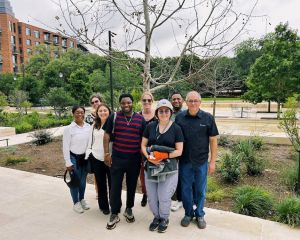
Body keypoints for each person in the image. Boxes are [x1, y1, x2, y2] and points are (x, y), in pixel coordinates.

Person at [175, 91, 218, 229]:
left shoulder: (208, 118)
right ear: (186, 102)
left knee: (200, 190)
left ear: (200, 102)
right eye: (190, 101)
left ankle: (199, 214)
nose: (193, 103)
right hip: (185, 161)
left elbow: (213, 140)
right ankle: (188, 213)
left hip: (201, 162)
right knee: (186, 190)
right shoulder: (180, 118)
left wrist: (212, 162)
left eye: (195, 101)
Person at [103, 93, 146, 230]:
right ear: (120, 104)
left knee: (131, 185)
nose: (126, 105)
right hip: (117, 158)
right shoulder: (114, 117)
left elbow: (144, 139)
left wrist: (144, 157)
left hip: (134, 159)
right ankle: (114, 212)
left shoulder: (140, 119)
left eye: (128, 102)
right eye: (123, 103)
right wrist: (106, 154)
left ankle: (128, 209)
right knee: (115, 186)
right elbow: (106, 135)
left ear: (132, 103)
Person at [141, 99, 183, 233]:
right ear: (157, 113)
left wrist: (163, 156)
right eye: (161, 111)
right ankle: (156, 217)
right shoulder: (150, 127)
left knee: (164, 195)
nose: (164, 113)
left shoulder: (176, 128)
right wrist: (149, 157)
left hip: (168, 168)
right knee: (152, 196)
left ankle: (164, 218)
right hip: (151, 166)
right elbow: (143, 145)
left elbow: (179, 150)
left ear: (170, 112)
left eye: (166, 110)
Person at [63, 106, 91, 214]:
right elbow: (65, 147)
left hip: (84, 157)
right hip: (73, 157)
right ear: (73, 113)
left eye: (81, 112)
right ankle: (76, 203)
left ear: (84, 113)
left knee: (83, 181)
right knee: (75, 180)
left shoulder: (88, 127)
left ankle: (82, 199)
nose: (79, 114)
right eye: (77, 112)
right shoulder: (69, 129)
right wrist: (68, 162)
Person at [86, 103, 111, 215]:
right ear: (97, 113)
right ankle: (104, 206)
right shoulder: (94, 125)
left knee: (113, 183)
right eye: (100, 111)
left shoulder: (113, 125)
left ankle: (114, 204)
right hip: (96, 157)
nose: (103, 112)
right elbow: (90, 141)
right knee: (100, 184)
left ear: (109, 112)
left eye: (105, 110)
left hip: (110, 158)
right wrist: (90, 153)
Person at [139, 92, 157, 207]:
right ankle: (145, 194)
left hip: (154, 149)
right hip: (140, 149)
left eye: (149, 100)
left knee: (154, 172)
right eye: (144, 100)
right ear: (141, 101)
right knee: (142, 174)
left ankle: (154, 195)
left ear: (152, 101)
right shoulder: (137, 116)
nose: (146, 102)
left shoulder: (157, 115)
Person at [170, 92, 184, 212]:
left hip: (184, 150)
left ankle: (180, 199)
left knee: (182, 176)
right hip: (171, 149)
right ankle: (173, 198)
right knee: (172, 175)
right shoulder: (169, 114)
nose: (176, 101)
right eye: (174, 99)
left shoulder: (186, 113)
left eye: (178, 99)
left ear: (182, 100)